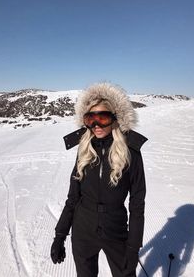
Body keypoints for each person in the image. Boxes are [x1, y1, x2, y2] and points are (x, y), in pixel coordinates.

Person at [50, 82, 148, 277]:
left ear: (115, 119)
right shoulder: (85, 150)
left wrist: (133, 247)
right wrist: (60, 235)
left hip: (116, 229)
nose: (96, 125)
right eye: (90, 119)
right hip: (83, 230)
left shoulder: (131, 154)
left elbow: (137, 205)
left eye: (102, 118)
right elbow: (73, 198)